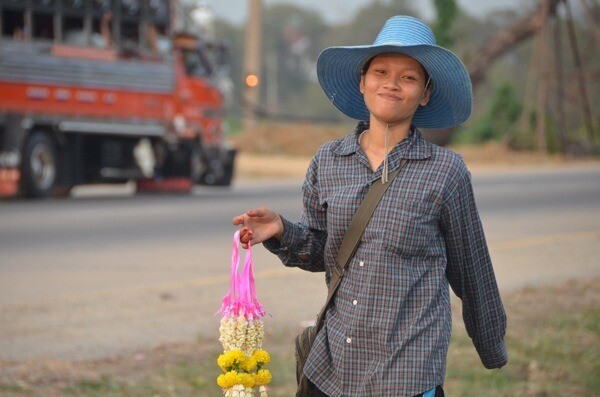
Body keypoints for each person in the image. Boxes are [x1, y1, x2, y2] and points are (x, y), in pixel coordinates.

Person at [232, 15, 507, 397]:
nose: (392, 83)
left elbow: (472, 269)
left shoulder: (446, 172)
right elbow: (321, 252)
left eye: (409, 77)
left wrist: (491, 347)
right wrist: (280, 229)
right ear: (362, 82)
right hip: (333, 368)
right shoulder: (329, 160)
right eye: (381, 71)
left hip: (406, 371)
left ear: (425, 93)